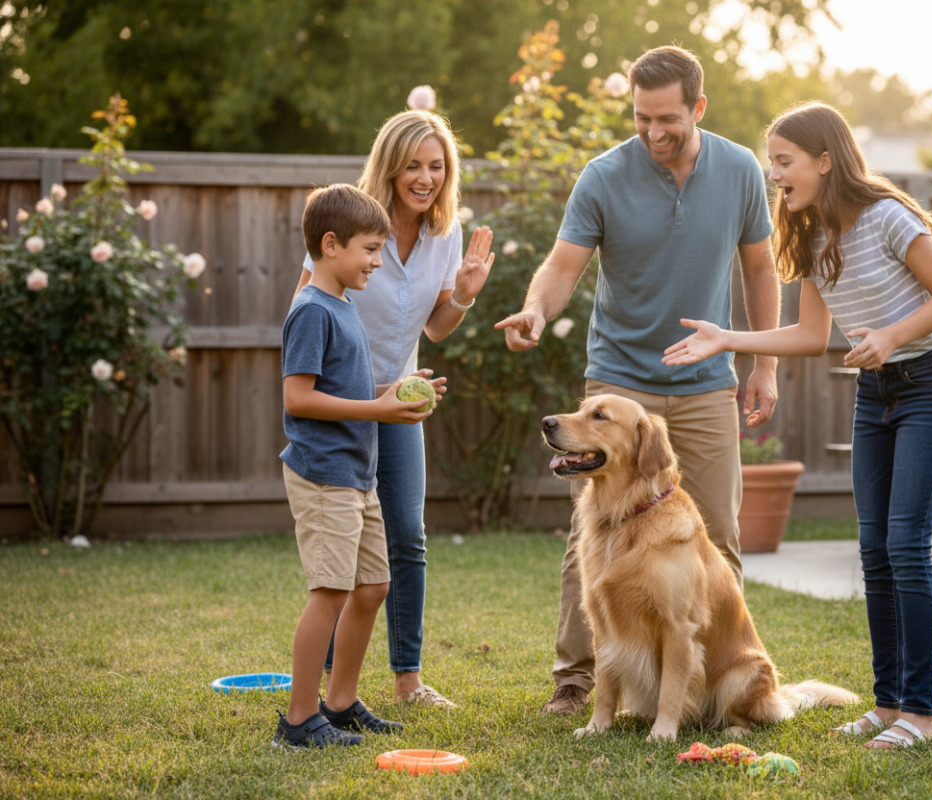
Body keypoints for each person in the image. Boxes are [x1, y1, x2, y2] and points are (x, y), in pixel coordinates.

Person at [663, 101, 932, 749]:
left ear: (825, 161)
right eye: (771, 161)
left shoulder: (888, 217)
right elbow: (809, 335)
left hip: (930, 385)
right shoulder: (810, 234)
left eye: (784, 161)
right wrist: (728, 339)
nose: (774, 173)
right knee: (874, 550)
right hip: (875, 393)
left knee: (906, 546)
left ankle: (921, 712)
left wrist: (889, 334)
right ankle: (887, 705)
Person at [494, 45, 781, 716]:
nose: (654, 132)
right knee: (594, 536)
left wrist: (763, 363)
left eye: (669, 119)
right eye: (642, 118)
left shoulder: (739, 170)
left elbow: (762, 270)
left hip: (707, 378)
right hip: (619, 382)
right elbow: (563, 267)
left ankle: (703, 688)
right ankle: (577, 680)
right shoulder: (604, 176)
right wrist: (536, 309)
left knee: (717, 535)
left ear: (698, 108)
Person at [294, 109, 494, 708]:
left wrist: (463, 294)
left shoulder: (445, 232)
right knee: (344, 554)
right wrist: (346, 400)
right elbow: (310, 304)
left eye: (436, 166)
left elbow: (435, 330)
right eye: (413, 164)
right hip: (346, 403)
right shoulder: (350, 222)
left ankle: (407, 679)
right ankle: (327, 690)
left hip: (399, 402)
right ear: (389, 165)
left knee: (405, 538)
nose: (425, 177)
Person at [275, 183, 413, 748]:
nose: (377, 262)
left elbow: (350, 388)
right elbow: (298, 398)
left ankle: (340, 700)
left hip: (357, 473)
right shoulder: (311, 310)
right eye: (370, 249)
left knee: (374, 584)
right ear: (330, 245)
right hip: (325, 472)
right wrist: (377, 408)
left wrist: (395, 392)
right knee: (330, 590)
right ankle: (298, 719)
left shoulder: (344, 306)